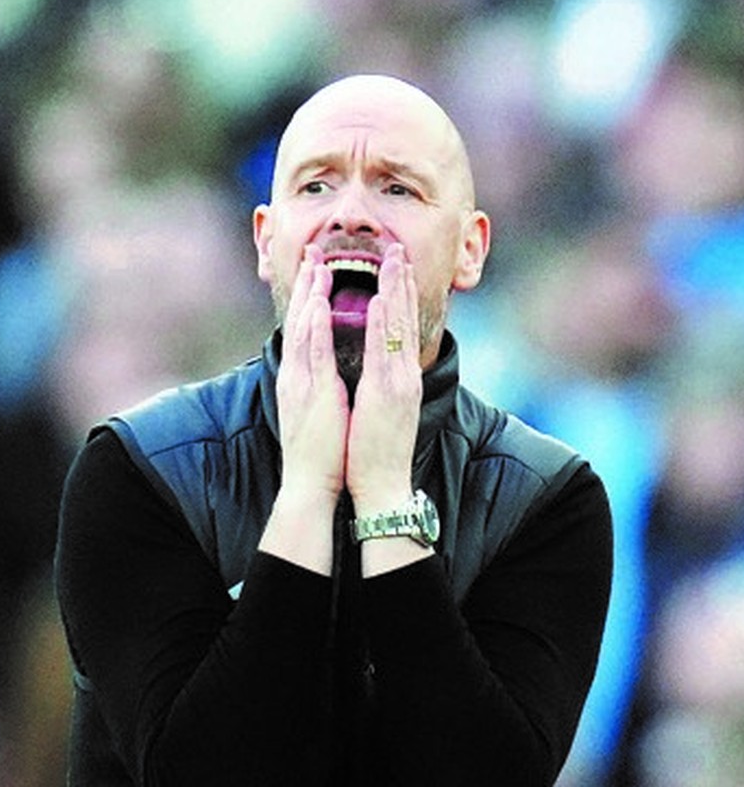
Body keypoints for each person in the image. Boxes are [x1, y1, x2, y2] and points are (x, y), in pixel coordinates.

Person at [54, 73, 613, 786]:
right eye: (316, 186)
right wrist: (308, 493)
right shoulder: (142, 468)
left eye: (397, 189)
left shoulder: (546, 500)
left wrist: (383, 499)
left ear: (470, 249)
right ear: (266, 242)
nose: (351, 214)